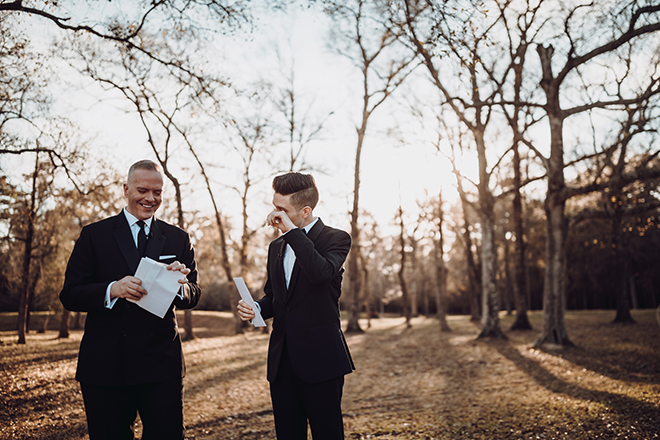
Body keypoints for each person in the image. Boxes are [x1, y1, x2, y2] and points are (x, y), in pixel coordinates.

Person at [60, 159, 201, 440]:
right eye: (143, 190)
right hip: (105, 367)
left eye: (157, 192)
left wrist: (179, 286)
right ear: (126, 189)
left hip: (162, 365)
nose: (150, 199)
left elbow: (193, 293)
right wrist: (113, 289)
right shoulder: (94, 235)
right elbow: (70, 294)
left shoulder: (178, 238)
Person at [237, 172, 355, 440]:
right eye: (274, 206)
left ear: (305, 211)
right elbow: (276, 299)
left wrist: (292, 232)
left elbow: (321, 273)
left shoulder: (336, 238)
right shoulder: (276, 246)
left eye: (282, 210)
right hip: (282, 362)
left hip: (322, 359)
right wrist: (255, 308)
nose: (274, 215)